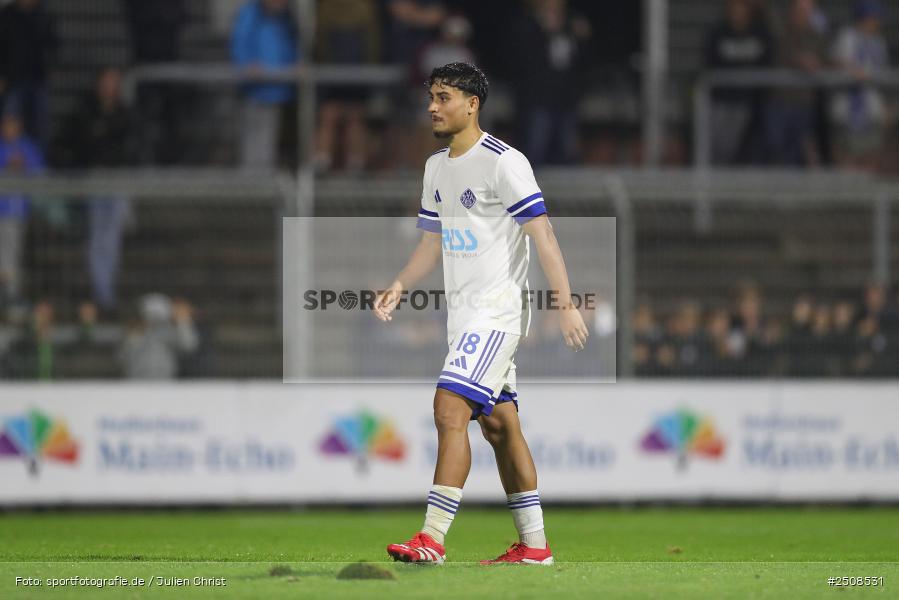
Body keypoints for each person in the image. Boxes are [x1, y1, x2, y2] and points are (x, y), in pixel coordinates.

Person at [377, 63, 588, 565]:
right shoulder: (435, 167)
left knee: (449, 409)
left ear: (473, 104)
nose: (433, 105)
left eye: (444, 96)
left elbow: (544, 235)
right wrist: (402, 283)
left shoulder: (504, 162)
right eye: (431, 96)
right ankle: (534, 546)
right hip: (464, 317)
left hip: (496, 312)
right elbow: (433, 243)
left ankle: (432, 537)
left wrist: (565, 304)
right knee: (499, 426)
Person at [64, 67, 139, 313]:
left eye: (114, 82)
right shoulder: (86, 112)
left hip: (116, 179)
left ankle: (108, 292)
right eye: (106, 82)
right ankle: (102, 293)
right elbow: (80, 143)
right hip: (95, 178)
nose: (110, 87)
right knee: (98, 237)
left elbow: (128, 145)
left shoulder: (125, 113)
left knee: (112, 238)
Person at [507, 0, 591, 167]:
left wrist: (583, 37)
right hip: (538, 101)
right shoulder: (527, 24)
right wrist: (542, 32)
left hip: (566, 101)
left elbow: (583, 63)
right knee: (535, 151)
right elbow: (518, 61)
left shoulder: (572, 25)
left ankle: (565, 192)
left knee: (566, 154)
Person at [231, 0, 300, 169]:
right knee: (253, 136)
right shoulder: (251, 13)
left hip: (275, 88)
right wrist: (246, 64)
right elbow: (239, 42)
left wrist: (294, 65)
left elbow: (288, 47)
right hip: (254, 89)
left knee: (269, 136)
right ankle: (252, 180)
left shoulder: (285, 18)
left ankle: (263, 176)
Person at [703, 0, 773, 165]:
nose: (738, 14)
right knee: (719, 145)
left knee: (740, 148)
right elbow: (709, 63)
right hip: (722, 100)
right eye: (734, 9)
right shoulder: (718, 33)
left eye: (741, 10)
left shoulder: (759, 33)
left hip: (748, 102)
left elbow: (767, 59)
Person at [313, 0, 380, 171]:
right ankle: (322, 162)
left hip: (358, 68)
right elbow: (319, 42)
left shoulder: (367, 11)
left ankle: (355, 164)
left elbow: (373, 44)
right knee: (329, 114)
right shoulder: (325, 10)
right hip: (330, 68)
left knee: (355, 116)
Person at [830, 0, 890, 171]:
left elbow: (881, 75)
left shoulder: (879, 42)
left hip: (871, 108)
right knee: (847, 158)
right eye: (873, 18)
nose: (876, 22)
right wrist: (855, 72)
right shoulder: (846, 37)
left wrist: (884, 105)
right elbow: (836, 62)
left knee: (871, 157)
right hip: (848, 107)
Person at [0, 112, 44, 305]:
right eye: (6, 125)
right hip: (2, 212)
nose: (9, 129)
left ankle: (11, 294)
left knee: (14, 254)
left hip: (20, 213)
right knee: (6, 254)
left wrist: (23, 164)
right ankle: (8, 293)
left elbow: (40, 171)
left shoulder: (27, 148)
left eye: (13, 125)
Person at [0, 0, 57, 147]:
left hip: (38, 79)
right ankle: (8, 159)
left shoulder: (43, 14)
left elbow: (53, 44)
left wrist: (49, 66)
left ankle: (38, 163)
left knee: (41, 125)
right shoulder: (7, 14)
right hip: (13, 80)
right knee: (10, 121)